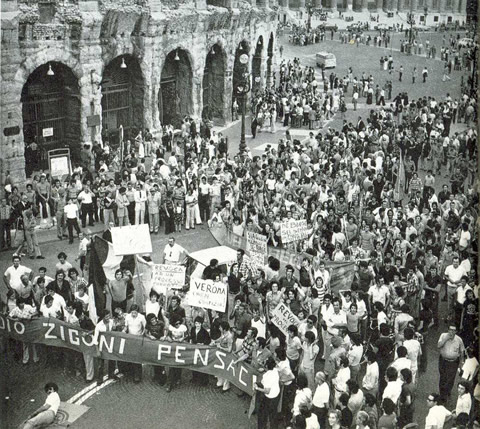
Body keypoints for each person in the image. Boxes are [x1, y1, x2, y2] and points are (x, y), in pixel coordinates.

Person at [438, 325, 465, 402]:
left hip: (453, 362)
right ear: (448, 330)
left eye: (454, 330)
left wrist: (461, 363)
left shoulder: (459, 340)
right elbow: (438, 345)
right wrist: (445, 339)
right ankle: (442, 394)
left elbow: (462, 351)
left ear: (456, 332)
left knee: (450, 378)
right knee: (443, 377)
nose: (452, 332)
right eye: (450, 330)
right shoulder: (443, 336)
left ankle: (447, 391)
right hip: (443, 360)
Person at [255, 356, 280, 429]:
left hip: (269, 397)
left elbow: (267, 391)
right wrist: (265, 368)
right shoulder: (275, 370)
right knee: (273, 415)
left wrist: (257, 388)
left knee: (262, 414)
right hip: (276, 395)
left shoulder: (266, 376)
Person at [123, 304, 146, 382]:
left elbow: (145, 328)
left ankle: (137, 375)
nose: (133, 314)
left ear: (138, 312)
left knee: (137, 358)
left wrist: (142, 334)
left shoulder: (142, 317)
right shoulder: (127, 317)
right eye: (132, 312)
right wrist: (123, 331)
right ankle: (130, 373)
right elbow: (126, 327)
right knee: (130, 356)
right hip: (130, 339)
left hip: (138, 339)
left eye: (135, 313)